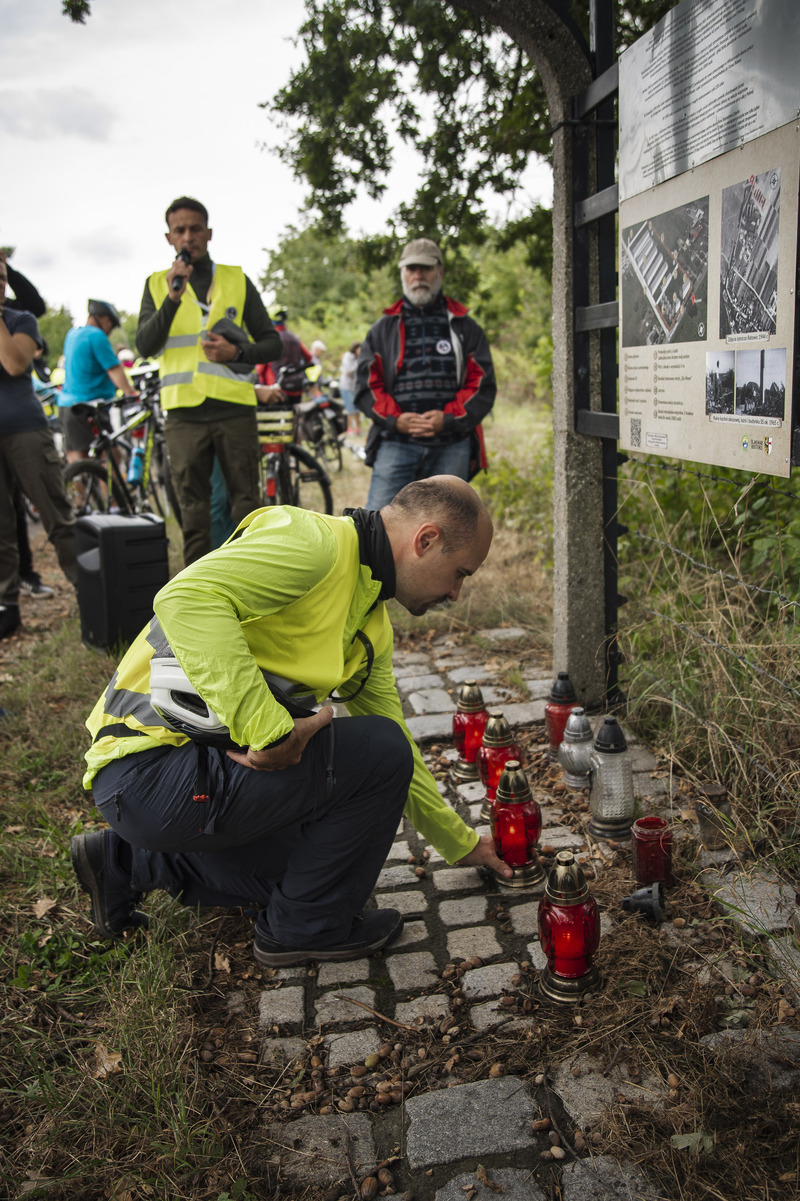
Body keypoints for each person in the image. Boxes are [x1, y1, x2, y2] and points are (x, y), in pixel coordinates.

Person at [70, 476, 512, 964]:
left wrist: (461, 843)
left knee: (320, 867)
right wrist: (269, 731)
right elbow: (185, 599)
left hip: (171, 781)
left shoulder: (370, 622)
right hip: (145, 769)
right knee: (377, 752)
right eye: (460, 573)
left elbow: (402, 755)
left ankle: (121, 861)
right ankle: (305, 930)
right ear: (426, 540)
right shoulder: (315, 544)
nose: (455, 593)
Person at [136, 197, 282, 566]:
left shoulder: (236, 279)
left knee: (247, 506)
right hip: (183, 415)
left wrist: (236, 353)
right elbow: (146, 345)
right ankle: (198, 596)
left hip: (234, 410)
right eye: (180, 230)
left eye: (195, 228)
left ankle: (251, 581)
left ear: (209, 233)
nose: (188, 237)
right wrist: (173, 296)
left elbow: (272, 343)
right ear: (169, 237)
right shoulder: (157, 285)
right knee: (193, 515)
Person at [356, 238, 496, 509]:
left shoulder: (466, 327)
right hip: (395, 443)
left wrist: (448, 418)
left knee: (448, 531)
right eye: (411, 269)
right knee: (379, 528)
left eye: (425, 268)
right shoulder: (381, 330)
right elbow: (366, 385)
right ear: (402, 274)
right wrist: (396, 419)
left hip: (452, 444)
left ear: (439, 271)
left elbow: (481, 384)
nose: (418, 275)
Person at [0, 258, 77, 640]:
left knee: (57, 516)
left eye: (0, 278)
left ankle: (90, 589)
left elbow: (15, 365)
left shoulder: (19, 320)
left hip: (26, 431)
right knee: (1, 529)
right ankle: (8, 607)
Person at [0, 252, 56, 598]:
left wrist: (8, 268)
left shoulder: (17, 316)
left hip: (21, 424)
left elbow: (14, 364)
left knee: (43, 508)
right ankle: (8, 599)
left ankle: (29, 576)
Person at [59, 300, 138, 464]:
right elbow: (114, 369)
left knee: (76, 459)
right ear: (104, 319)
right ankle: (105, 491)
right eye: (111, 324)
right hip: (88, 406)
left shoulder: (71, 334)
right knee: (111, 458)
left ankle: (78, 489)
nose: (109, 330)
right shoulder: (96, 335)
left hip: (66, 405)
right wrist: (131, 393)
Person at [339, 340, 362, 435]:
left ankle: (358, 428)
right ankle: (349, 428)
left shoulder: (358, 358)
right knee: (349, 409)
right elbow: (349, 370)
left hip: (355, 386)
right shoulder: (348, 356)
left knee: (357, 408)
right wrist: (359, 364)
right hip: (346, 386)